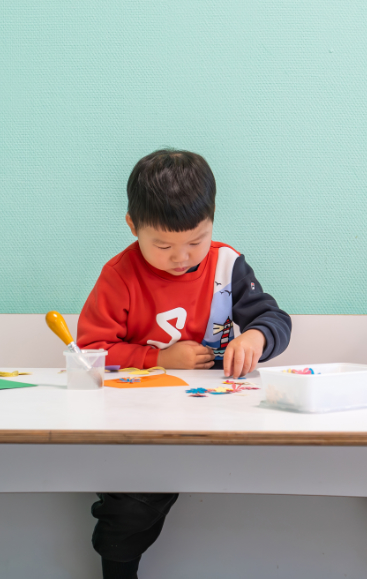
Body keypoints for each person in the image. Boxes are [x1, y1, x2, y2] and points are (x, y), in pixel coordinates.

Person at [77, 149, 292, 578]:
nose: (182, 257)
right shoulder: (119, 275)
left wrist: (255, 336)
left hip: (217, 413)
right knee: (130, 505)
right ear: (132, 227)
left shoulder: (226, 264)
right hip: (139, 417)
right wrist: (158, 358)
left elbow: (275, 319)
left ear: (212, 220)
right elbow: (90, 352)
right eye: (163, 245)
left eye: (196, 240)